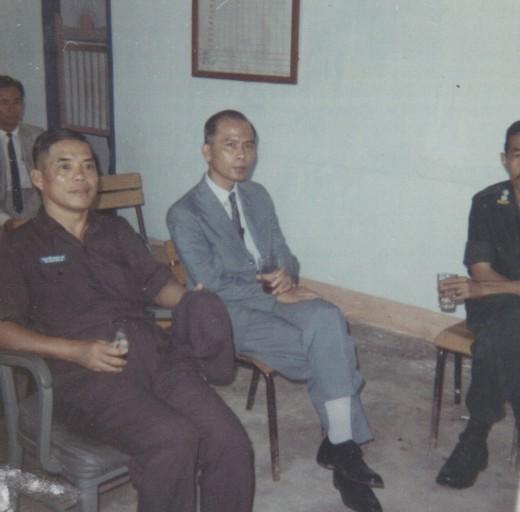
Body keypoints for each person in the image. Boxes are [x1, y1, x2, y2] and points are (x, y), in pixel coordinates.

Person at [0, 128, 254, 512]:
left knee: (229, 440)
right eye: (65, 167)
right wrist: (75, 351)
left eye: (88, 166)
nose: (81, 176)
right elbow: (4, 330)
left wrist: (193, 300)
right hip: (84, 376)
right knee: (173, 439)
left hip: (157, 356)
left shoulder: (115, 230)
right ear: (39, 178)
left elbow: (157, 285)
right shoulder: (18, 247)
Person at [167, 110, 384, 512]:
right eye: (230, 145)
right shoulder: (185, 212)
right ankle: (345, 454)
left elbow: (284, 252)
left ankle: (340, 447)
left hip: (274, 296)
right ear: (206, 151)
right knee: (332, 351)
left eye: (249, 145)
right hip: (226, 314)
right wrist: (272, 294)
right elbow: (211, 283)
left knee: (328, 318)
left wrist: (286, 275)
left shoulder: (257, 195)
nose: (242, 155)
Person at [436, 120, 520, 490]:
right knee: (510, 325)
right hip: (493, 305)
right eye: (518, 154)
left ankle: (474, 437)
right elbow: (480, 269)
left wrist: (486, 288)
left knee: (498, 338)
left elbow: (481, 282)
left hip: (490, 299)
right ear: (505, 160)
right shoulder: (487, 202)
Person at [0, 75, 43, 230]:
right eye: (4, 102)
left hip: (36, 204)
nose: (11, 109)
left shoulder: (38, 136)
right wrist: (6, 222)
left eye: (17, 102)